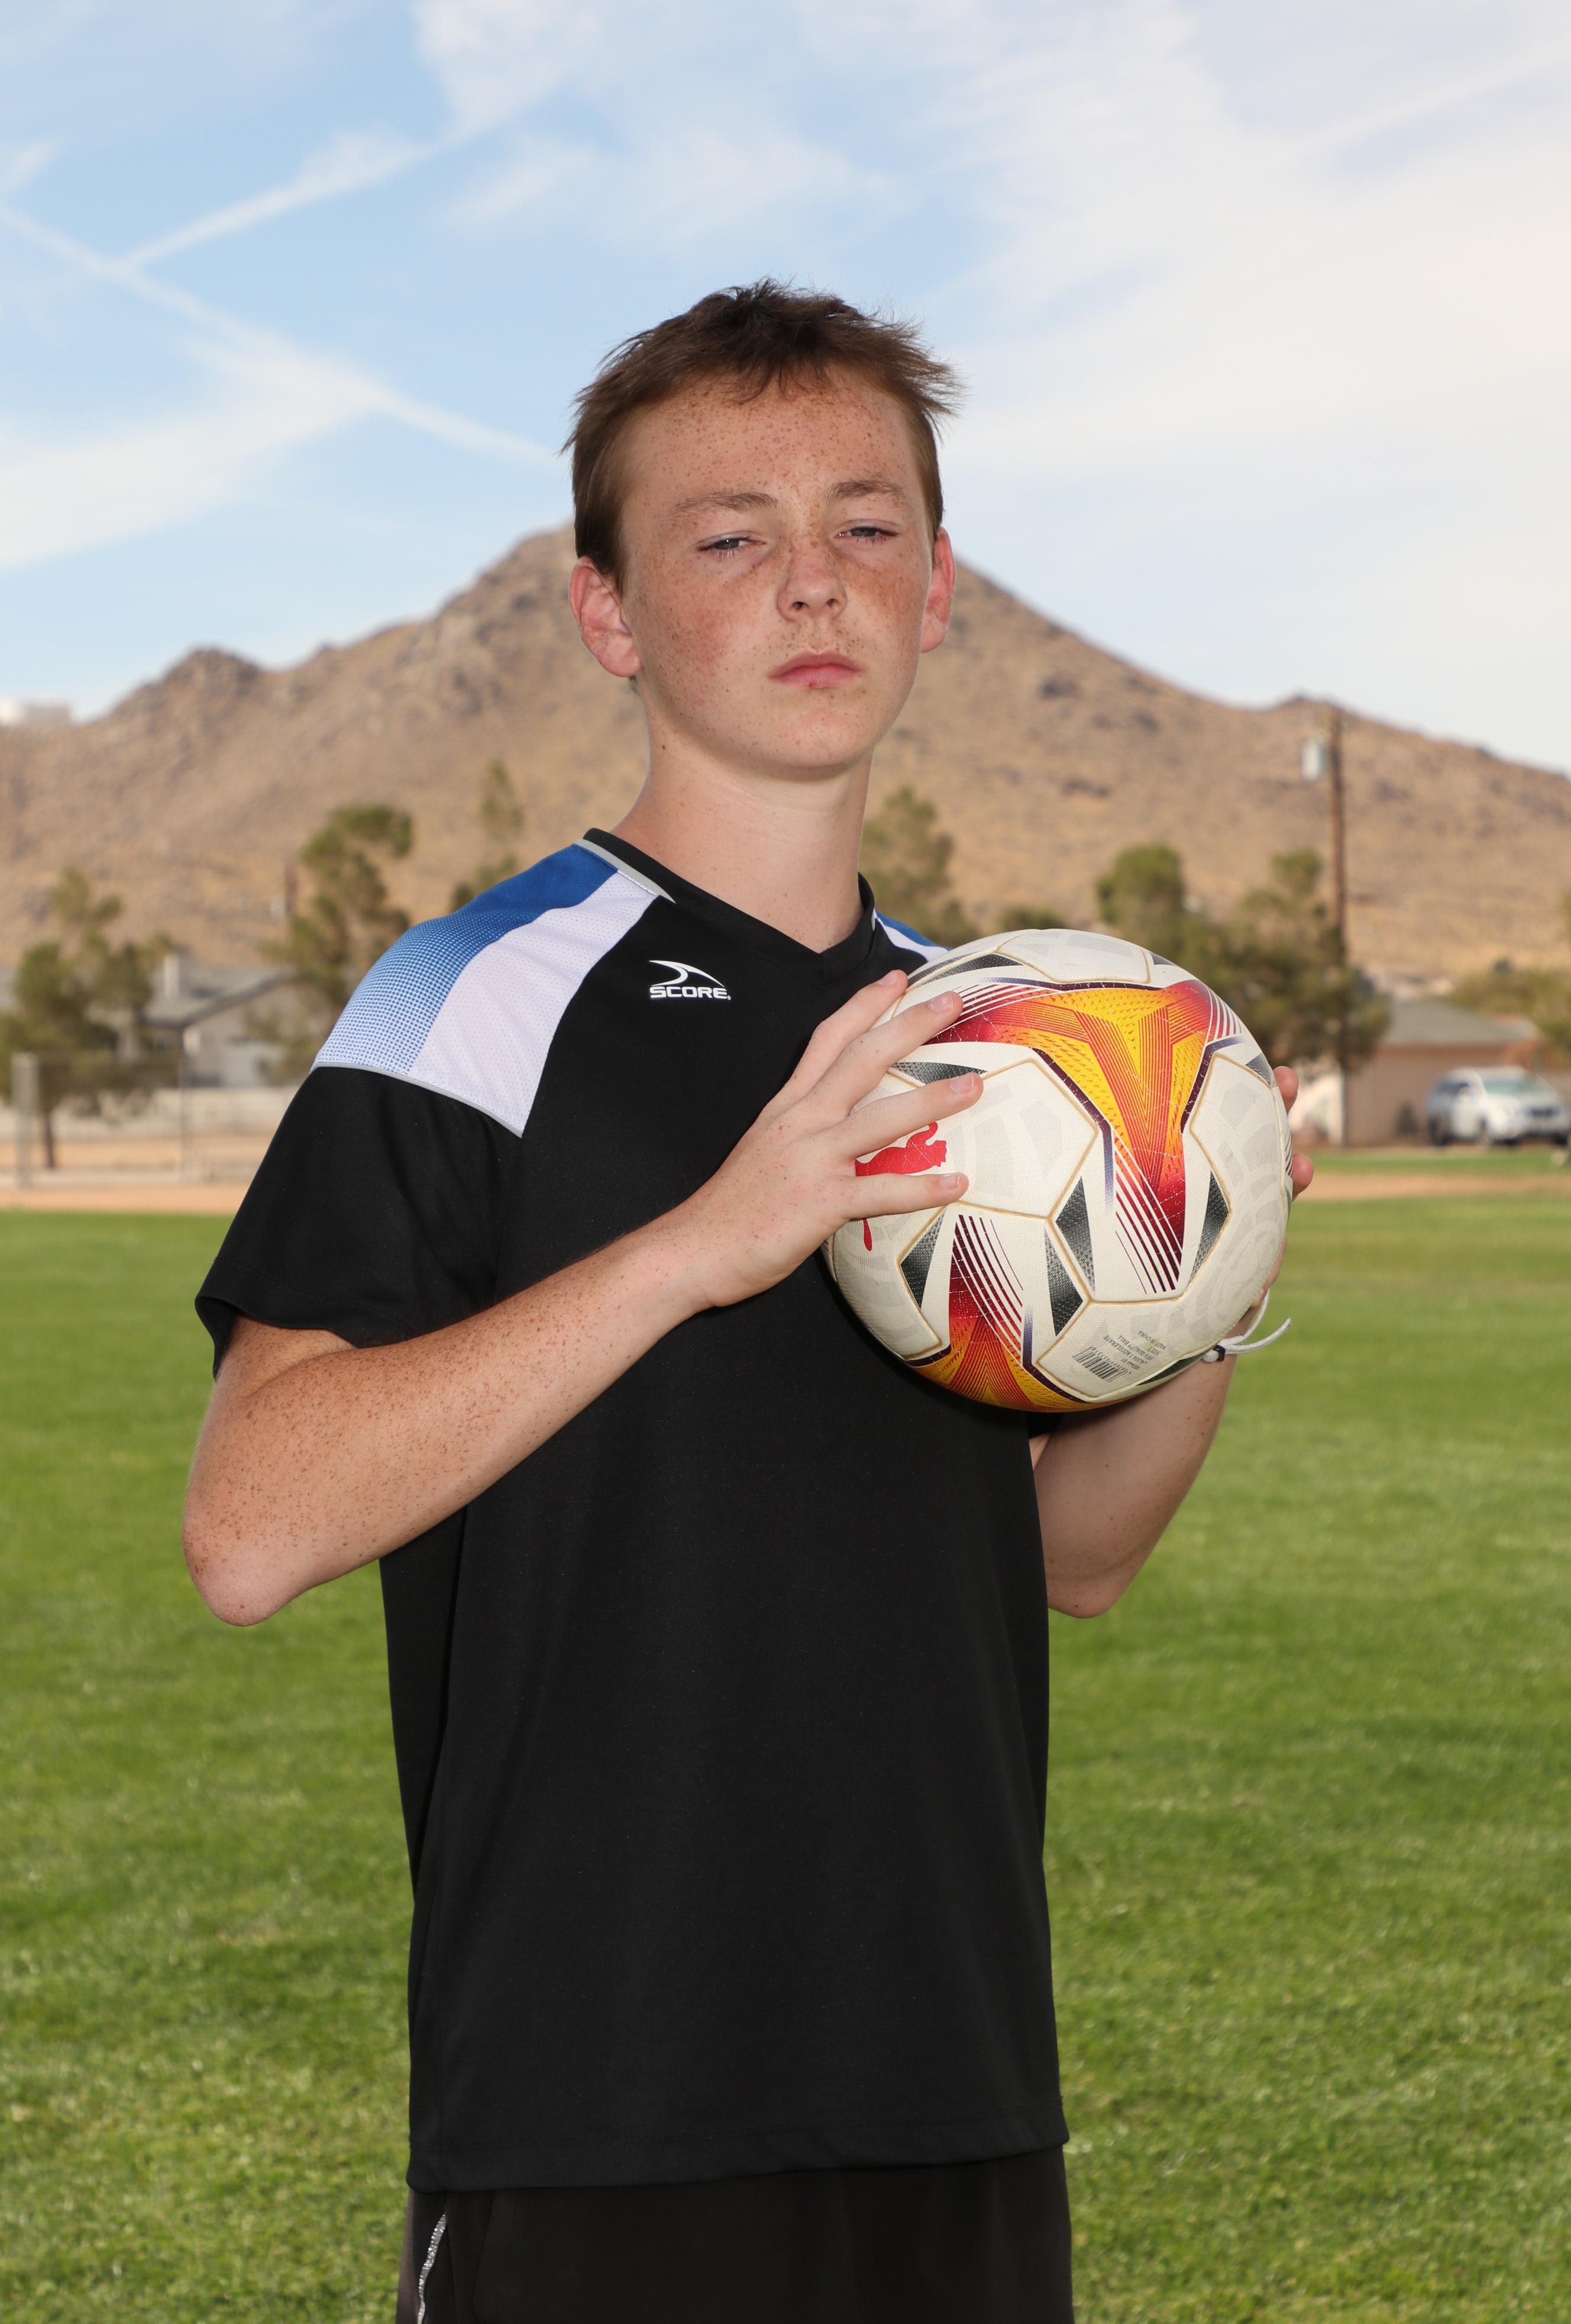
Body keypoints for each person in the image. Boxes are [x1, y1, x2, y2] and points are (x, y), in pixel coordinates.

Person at [183, 281, 1311, 2324]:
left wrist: (1198, 1279)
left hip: (955, 2083)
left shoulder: (1002, 1051)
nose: (814, 581)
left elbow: (1076, 1557)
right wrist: (702, 1244)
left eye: (868, 526)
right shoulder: (472, 997)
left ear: (938, 590)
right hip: (599, 2103)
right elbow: (251, 1524)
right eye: (729, 535)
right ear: (609, 613)